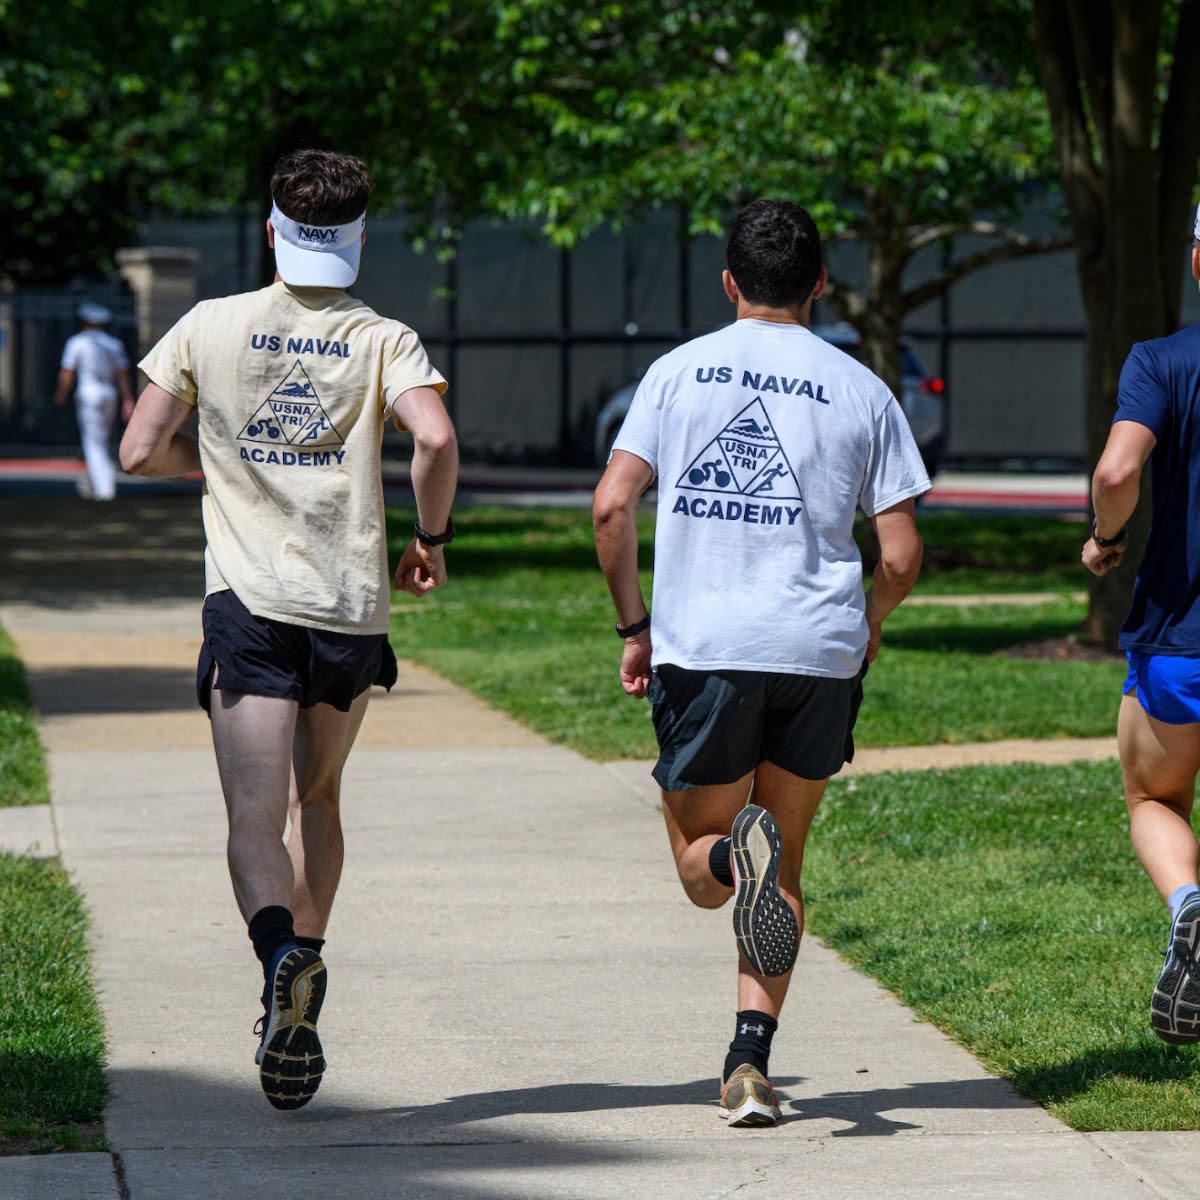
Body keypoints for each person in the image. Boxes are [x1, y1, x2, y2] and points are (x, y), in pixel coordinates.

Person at [119, 148, 458, 1110]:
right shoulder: (382, 335)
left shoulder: (207, 325)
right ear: (357, 238)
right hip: (348, 609)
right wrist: (430, 538)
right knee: (320, 799)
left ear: (272, 229)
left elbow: (138, 449)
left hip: (249, 607)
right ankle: (304, 964)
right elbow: (433, 438)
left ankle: (278, 965)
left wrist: (220, 457)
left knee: (250, 817)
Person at [592, 198, 928, 1127]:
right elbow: (899, 556)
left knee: (706, 871)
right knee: (786, 863)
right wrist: (865, 621)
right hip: (818, 654)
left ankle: (738, 867)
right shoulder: (863, 389)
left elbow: (613, 509)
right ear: (821, 284)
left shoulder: (675, 374)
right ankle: (749, 1064)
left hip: (709, 653)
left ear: (731, 282)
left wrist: (635, 626)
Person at [1082, 202, 1200, 1048]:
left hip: (1182, 639)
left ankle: (1190, 906)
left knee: (1155, 795)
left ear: (1197, 262)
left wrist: (1107, 536)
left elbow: (1120, 467)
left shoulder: (1163, 361)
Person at [54, 302, 136, 500]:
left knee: (94, 442)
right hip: (109, 394)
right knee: (101, 439)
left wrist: (61, 393)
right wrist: (128, 399)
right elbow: (122, 374)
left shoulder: (77, 342)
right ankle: (92, 483)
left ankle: (104, 489)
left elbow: (67, 372)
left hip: (88, 394)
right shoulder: (113, 344)